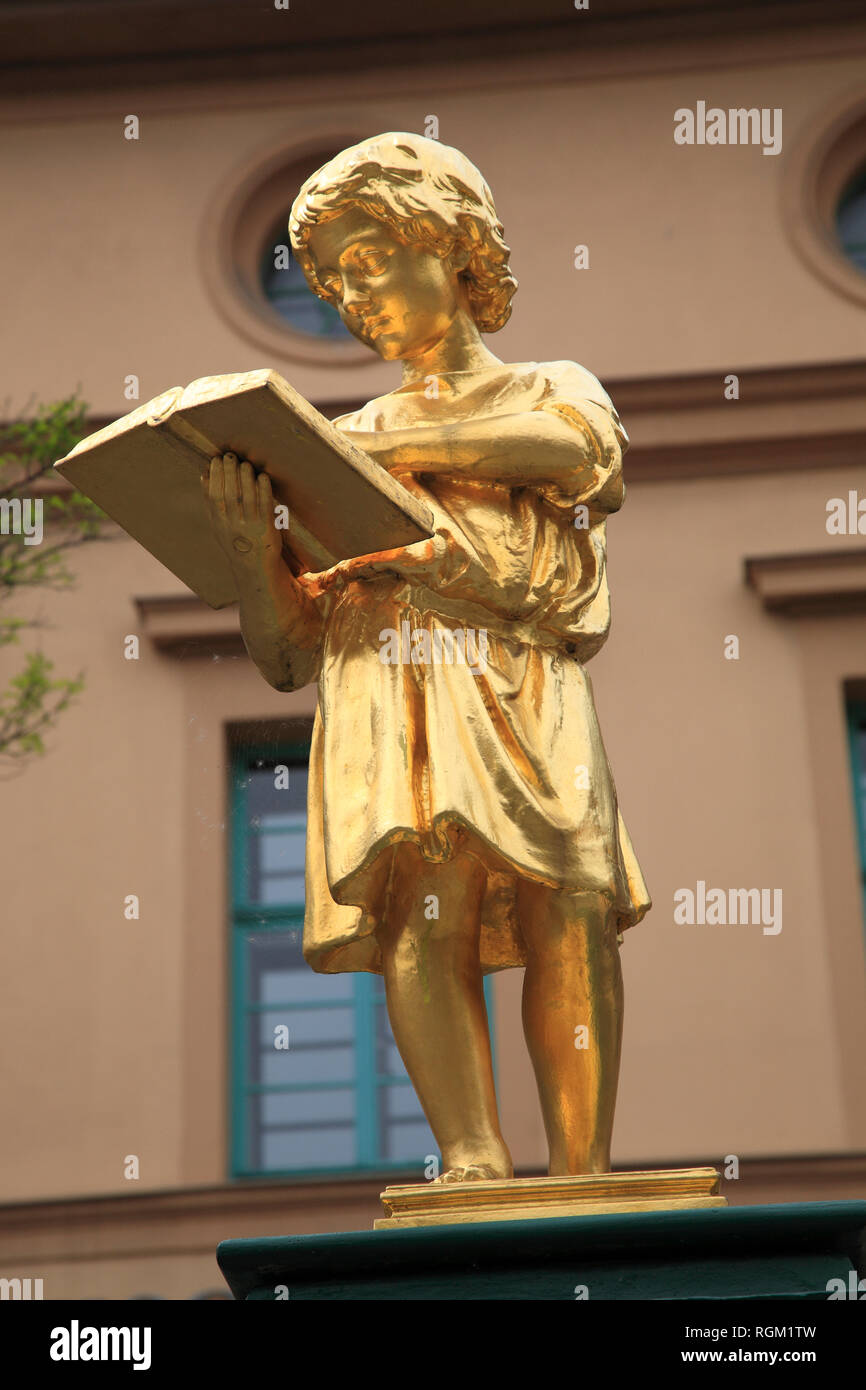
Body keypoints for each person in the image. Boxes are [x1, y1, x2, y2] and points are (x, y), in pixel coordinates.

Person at [202, 132, 650, 1182]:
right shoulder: (335, 445)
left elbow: (582, 460)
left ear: (448, 247)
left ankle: (581, 1173)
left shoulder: (547, 386)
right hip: (387, 684)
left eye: (367, 264)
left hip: (520, 669)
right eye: (330, 285)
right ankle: (472, 1157)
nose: (351, 300)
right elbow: (287, 650)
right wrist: (246, 550)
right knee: (420, 900)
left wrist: (370, 452)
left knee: (569, 903)